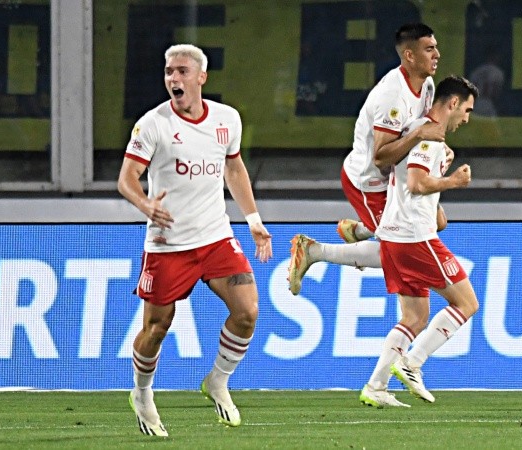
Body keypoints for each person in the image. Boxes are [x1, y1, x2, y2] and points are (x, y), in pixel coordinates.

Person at [118, 44, 272, 437]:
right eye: (169, 71)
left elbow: (233, 168)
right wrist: (145, 205)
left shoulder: (227, 119)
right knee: (156, 327)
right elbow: (127, 179)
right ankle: (142, 391)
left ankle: (218, 380)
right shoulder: (152, 124)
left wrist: (252, 219)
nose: (174, 79)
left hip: (216, 236)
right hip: (168, 244)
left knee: (248, 311)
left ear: (201, 77)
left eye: (182, 71)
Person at [288, 23, 446, 296]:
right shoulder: (391, 97)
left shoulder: (427, 84)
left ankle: (361, 230)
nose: (437, 54)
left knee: (438, 223)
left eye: (436, 47)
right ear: (409, 55)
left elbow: (424, 130)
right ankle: (312, 250)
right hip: (370, 182)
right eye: (429, 49)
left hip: (398, 176)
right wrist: (420, 134)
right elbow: (382, 157)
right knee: (398, 253)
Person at [373, 75, 479, 407]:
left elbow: (407, 182)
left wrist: (437, 206)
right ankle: (412, 362)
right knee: (467, 304)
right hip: (414, 237)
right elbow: (417, 183)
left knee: (415, 317)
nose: (467, 118)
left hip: (393, 235)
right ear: (452, 103)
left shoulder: (417, 128)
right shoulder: (430, 137)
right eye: (467, 110)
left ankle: (376, 386)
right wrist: (452, 183)